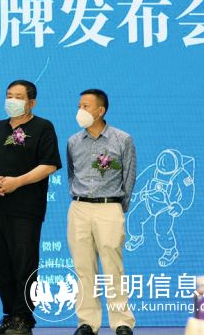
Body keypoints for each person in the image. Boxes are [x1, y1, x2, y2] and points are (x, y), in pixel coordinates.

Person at [0, 80, 61, 335]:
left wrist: (17, 182)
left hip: (26, 208)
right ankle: (10, 315)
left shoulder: (43, 127)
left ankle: (23, 318)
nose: (11, 100)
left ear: (31, 102)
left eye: (18, 96)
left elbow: (49, 165)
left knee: (24, 263)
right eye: (9, 95)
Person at [67, 89, 136, 335]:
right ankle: (87, 322)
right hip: (79, 207)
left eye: (86, 106)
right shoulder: (73, 141)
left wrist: (118, 206)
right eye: (79, 106)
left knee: (113, 267)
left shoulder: (122, 139)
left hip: (109, 207)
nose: (80, 110)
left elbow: (129, 176)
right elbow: (72, 175)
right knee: (83, 267)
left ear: (100, 110)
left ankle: (122, 322)